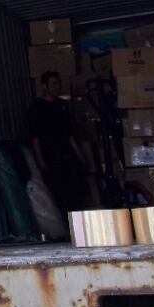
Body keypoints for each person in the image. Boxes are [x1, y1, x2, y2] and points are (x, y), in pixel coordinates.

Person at [27, 70, 91, 211]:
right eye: (53, 84)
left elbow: (70, 134)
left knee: (75, 190)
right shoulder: (37, 108)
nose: (57, 87)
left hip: (67, 154)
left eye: (58, 83)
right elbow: (35, 137)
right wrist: (40, 160)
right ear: (45, 86)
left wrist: (79, 156)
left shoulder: (62, 105)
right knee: (59, 193)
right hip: (51, 157)